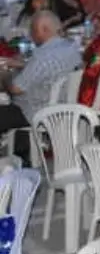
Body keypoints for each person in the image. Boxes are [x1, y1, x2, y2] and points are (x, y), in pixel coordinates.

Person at [1, 11, 81, 159]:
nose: (31, 35)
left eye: (33, 30)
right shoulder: (70, 47)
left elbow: (15, 89)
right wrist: (22, 64)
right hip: (63, 105)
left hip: (34, 110)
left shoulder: (42, 56)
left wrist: (4, 76)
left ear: (42, 30)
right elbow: (46, 70)